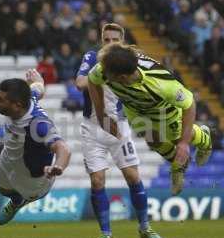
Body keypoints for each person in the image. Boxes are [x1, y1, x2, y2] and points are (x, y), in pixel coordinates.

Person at [75, 23, 162, 238]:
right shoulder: (92, 56)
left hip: (119, 127)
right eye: (107, 40)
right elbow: (80, 83)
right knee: (97, 180)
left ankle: (145, 227)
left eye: (115, 40)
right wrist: (101, 72)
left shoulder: (130, 60)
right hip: (92, 128)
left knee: (133, 177)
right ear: (102, 41)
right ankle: (106, 234)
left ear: (122, 41)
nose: (111, 44)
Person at [88, 43, 212, 198]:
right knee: (152, 140)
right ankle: (178, 165)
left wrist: (184, 143)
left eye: (106, 72)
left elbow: (190, 104)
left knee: (177, 140)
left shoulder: (161, 84)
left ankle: (204, 140)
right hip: (135, 110)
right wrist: (101, 115)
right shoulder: (106, 69)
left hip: (165, 111)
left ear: (122, 78)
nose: (101, 71)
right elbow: (92, 80)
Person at [0, 70, 71, 225]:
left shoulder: (38, 125)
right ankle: (16, 201)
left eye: (1, 100)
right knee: (3, 191)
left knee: (23, 192)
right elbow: (38, 90)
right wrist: (38, 81)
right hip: (9, 156)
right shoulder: (28, 99)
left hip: (32, 178)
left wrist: (58, 166)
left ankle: (20, 202)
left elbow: (63, 148)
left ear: (17, 105)